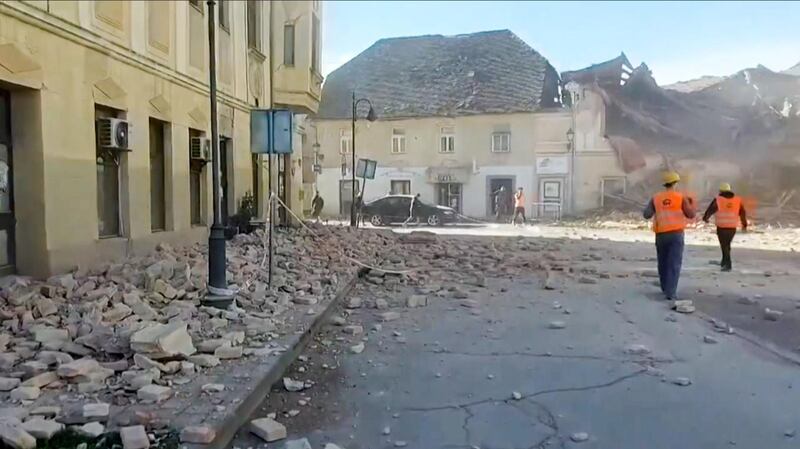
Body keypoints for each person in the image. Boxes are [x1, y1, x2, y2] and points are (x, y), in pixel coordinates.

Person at [643, 171, 696, 300]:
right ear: (676, 183)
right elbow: (690, 215)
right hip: (676, 234)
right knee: (674, 263)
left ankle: (664, 287)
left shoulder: (656, 198)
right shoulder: (680, 197)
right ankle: (670, 292)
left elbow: (646, 215)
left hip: (661, 235)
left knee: (663, 262)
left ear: (665, 184)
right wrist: (690, 204)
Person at [702, 182, 747, 272]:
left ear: (721, 191)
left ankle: (728, 265)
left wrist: (705, 218)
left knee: (724, 245)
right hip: (732, 227)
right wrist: (744, 224)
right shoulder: (737, 200)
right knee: (727, 245)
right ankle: (724, 261)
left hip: (722, 227)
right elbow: (742, 212)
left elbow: (710, 209)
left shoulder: (718, 200)